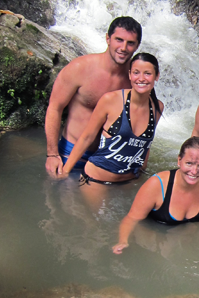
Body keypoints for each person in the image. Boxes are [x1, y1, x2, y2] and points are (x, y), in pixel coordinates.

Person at [45, 16, 142, 177]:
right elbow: (55, 108)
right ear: (108, 39)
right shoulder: (80, 68)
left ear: (137, 46)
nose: (123, 47)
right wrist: (52, 154)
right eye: (119, 40)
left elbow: (143, 122)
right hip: (70, 154)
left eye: (130, 43)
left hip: (108, 159)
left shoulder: (136, 81)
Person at [59, 52, 163, 184]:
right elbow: (87, 137)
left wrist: (142, 172)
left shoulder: (157, 107)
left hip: (129, 180)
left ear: (157, 76)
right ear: (130, 75)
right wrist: (65, 171)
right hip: (96, 180)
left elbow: (146, 145)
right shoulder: (110, 100)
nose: (141, 78)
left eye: (147, 73)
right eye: (136, 73)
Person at [112, 136, 199, 253]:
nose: (194, 171)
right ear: (179, 160)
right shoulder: (156, 184)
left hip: (183, 246)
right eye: (189, 163)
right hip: (151, 245)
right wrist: (123, 241)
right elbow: (132, 218)